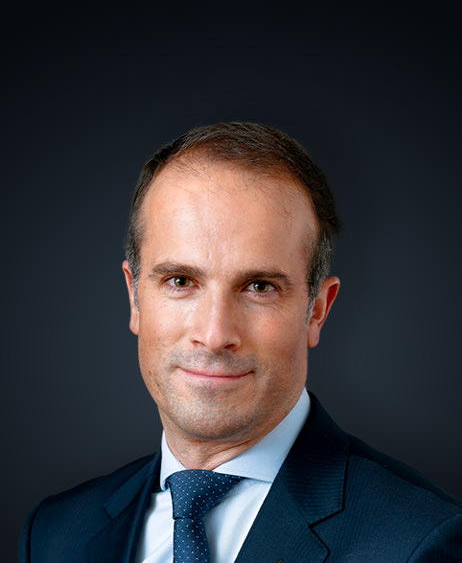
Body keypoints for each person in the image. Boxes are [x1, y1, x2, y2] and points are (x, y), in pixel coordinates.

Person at [20, 122, 462, 562]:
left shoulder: (420, 542)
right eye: (180, 281)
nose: (214, 336)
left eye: (259, 287)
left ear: (317, 310)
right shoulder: (54, 534)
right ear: (135, 297)